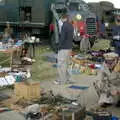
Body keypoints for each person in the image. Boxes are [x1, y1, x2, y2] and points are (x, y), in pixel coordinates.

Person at [54, 14, 74, 85]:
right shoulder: (71, 25)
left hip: (64, 48)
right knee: (68, 64)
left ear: (63, 18)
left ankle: (62, 81)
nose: (61, 21)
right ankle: (70, 79)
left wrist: (58, 47)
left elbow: (62, 38)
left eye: (61, 19)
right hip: (69, 48)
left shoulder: (64, 26)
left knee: (61, 64)